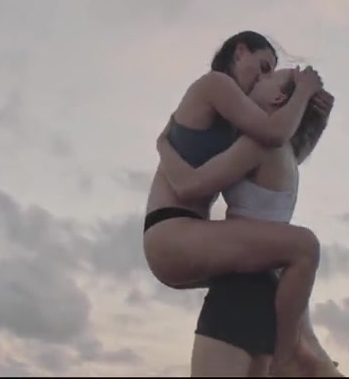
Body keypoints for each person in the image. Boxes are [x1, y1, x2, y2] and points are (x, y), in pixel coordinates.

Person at [142, 31, 333, 374]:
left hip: (185, 234)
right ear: (240, 51)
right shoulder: (216, 84)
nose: (260, 78)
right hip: (171, 231)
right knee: (302, 248)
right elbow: (274, 135)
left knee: (275, 276)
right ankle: (289, 356)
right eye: (263, 67)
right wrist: (303, 90)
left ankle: (305, 356)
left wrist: (315, 118)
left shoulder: (238, 124)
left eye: (269, 74)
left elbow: (280, 162)